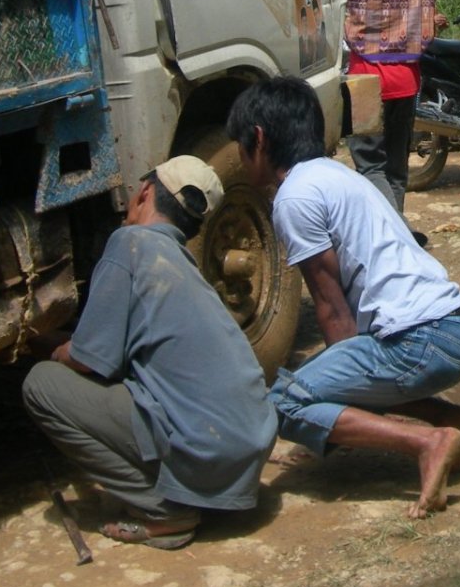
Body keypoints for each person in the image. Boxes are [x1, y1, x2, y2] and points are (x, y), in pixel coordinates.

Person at [228, 77, 460, 519]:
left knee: (284, 401)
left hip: (421, 340)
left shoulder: (293, 198)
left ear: (259, 138)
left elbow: (332, 313)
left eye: (239, 145)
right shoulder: (333, 174)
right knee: (331, 378)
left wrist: (324, 417)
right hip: (458, 326)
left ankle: (427, 441)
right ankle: (457, 420)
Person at [22, 156, 277, 550]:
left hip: (212, 451)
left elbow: (88, 360)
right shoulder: (182, 264)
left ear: (143, 193)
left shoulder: (129, 242)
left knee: (42, 385)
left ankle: (163, 511)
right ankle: (193, 489)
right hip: (249, 448)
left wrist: (53, 353)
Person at [344, 0, 438, 214]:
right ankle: (397, 228)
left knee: (371, 165)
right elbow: (427, 31)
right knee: (397, 163)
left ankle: (388, 234)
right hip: (405, 79)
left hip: (364, 78)